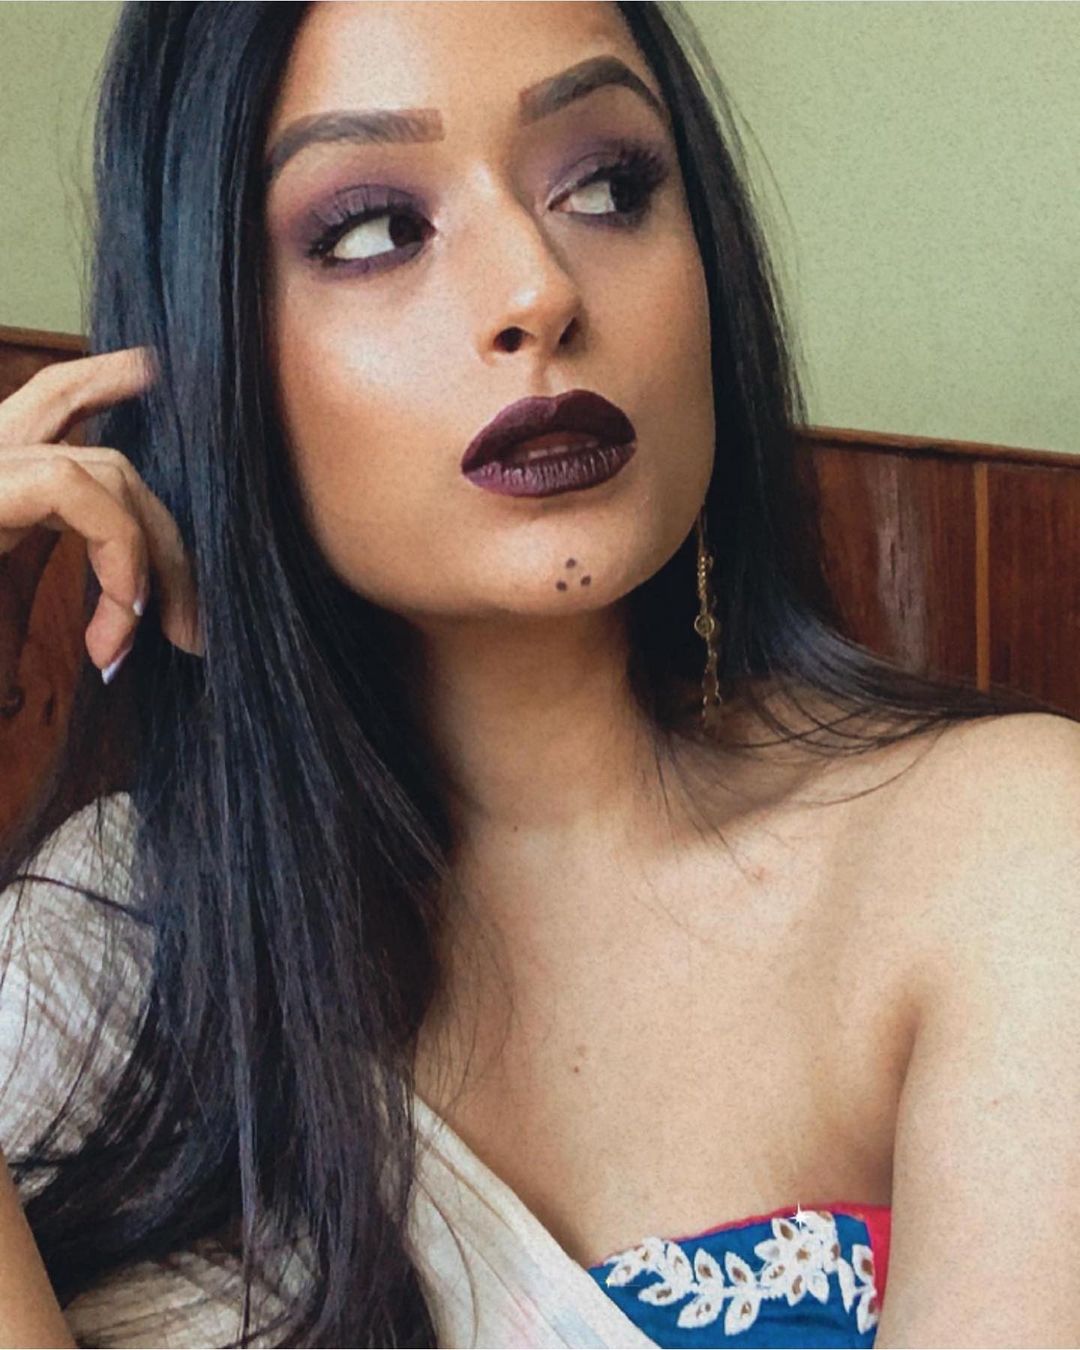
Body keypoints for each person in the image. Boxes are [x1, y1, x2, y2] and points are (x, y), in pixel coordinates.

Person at [0, 3, 1077, 1347]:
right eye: (373, 228)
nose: (539, 290)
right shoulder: (101, 948)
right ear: (209, 354)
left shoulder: (1002, 856)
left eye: (608, 186)